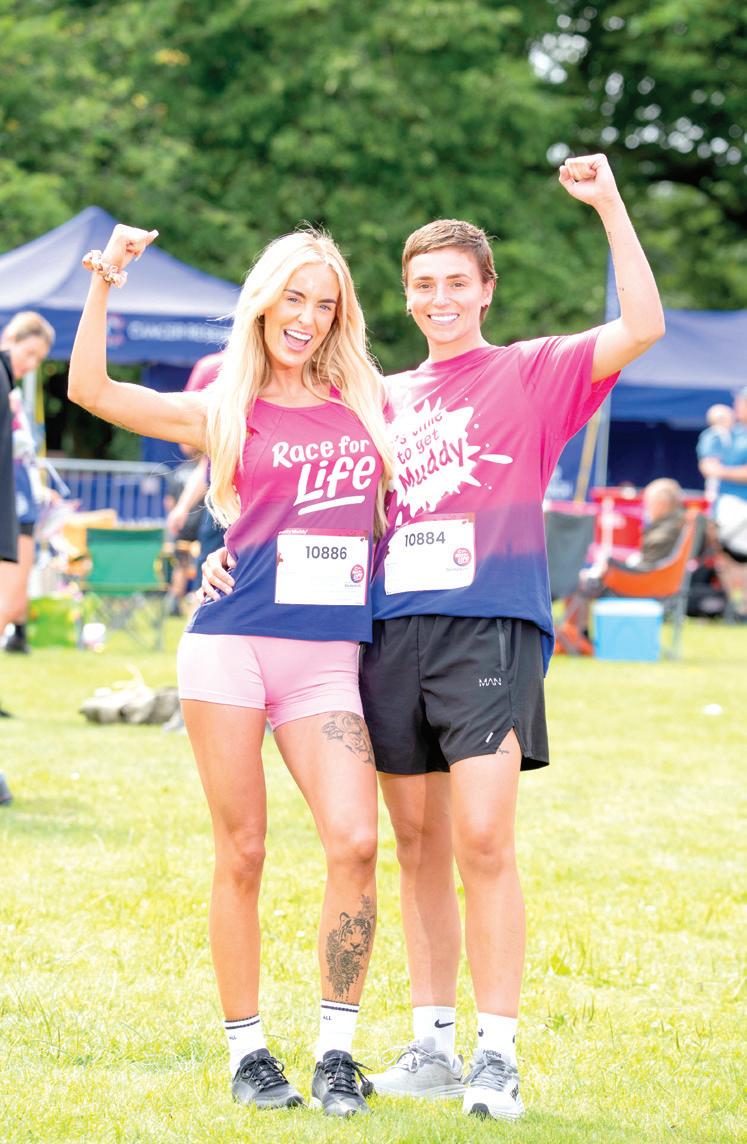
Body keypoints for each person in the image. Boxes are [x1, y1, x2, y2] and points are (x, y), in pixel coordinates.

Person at [203, 154, 665, 1120]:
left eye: (457, 282)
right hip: (385, 635)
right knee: (414, 844)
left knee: (484, 838)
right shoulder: (377, 396)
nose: (439, 299)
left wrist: (610, 205)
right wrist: (224, 552)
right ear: (405, 296)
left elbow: (642, 325)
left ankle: (497, 1054)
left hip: (489, 629)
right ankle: (432, 1045)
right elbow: (295, 481)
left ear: (486, 289)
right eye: (422, 284)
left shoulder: (531, 370)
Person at [68, 225, 392, 1116]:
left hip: (326, 661)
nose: (307, 317)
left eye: (324, 304)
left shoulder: (368, 399)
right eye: (293, 298)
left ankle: (335, 1053)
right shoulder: (224, 408)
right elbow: (90, 391)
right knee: (242, 850)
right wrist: (106, 281)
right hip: (230, 647)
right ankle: (249, 1054)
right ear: (262, 303)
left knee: (355, 843)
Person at [566, 477, 686, 639]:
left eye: (649, 503)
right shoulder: (676, 524)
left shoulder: (666, 531)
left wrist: (610, 565)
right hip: (653, 581)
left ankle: (576, 637)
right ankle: (577, 636)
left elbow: (644, 567)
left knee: (578, 581)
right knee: (585, 577)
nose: (646, 508)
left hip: (642, 584)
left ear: (662, 504)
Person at [0, 313, 55, 659]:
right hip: (10, 508)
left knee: (13, 600)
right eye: (29, 352)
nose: (32, 364)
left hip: (21, 502)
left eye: (39, 358)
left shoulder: (12, 391)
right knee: (9, 600)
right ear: (11, 338)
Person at [698, 388, 747, 619]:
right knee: (725, 555)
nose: (738, 407)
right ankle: (735, 608)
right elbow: (708, 466)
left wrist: (723, 471)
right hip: (725, 508)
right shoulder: (725, 435)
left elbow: (717, 470)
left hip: (741, 506)